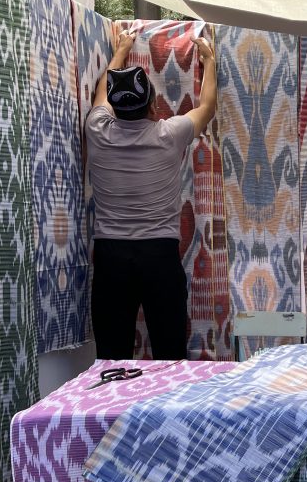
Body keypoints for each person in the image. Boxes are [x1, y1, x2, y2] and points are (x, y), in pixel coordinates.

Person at [84, 29, 217, 359]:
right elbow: (208, 106)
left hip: (111, 256)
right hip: (159, 255)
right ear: (154, 105)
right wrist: (209, 62)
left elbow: (102, 91)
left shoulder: (97, 130)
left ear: (114, 107)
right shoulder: (170, 134)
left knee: (111, 356)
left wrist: (120, 52)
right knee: (169, 353)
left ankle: (112, 411)